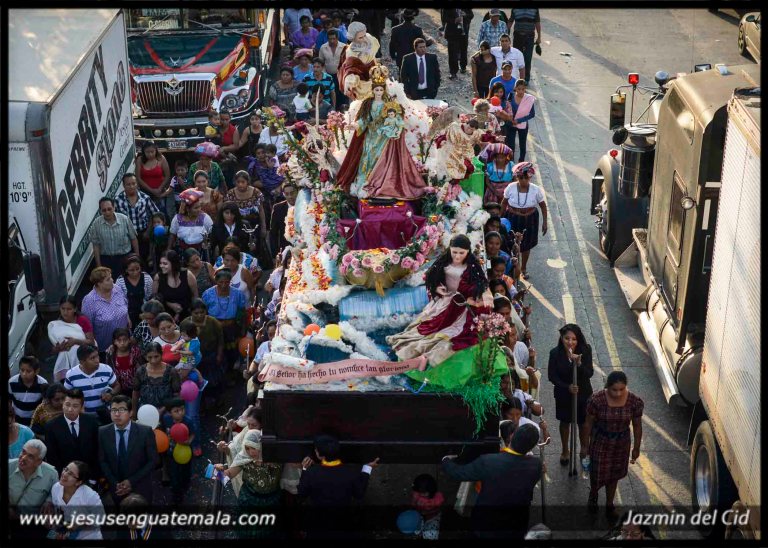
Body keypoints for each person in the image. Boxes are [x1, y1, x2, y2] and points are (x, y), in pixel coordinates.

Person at [388, 234, 493, 366]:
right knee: (427, 326)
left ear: (468, 251)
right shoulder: (443, 262)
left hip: (461, 305)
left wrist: (482, 296)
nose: (458, 256)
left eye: (462, 253)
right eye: (454, 252)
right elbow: (432, 277)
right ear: (450, 249)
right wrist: (437, 288)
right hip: (444, 301)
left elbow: (481, 285)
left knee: (450, 334)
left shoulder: (472, 268)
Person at [441, 423, 541, 539]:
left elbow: (458, 473)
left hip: (486, 525)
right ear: (531, 446)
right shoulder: (536, 465)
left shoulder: (489, 461)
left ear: (512, 436)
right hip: (516, 525)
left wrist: (445, 460)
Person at [583, 371, 644, 518]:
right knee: (597, 473)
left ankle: (609, 505)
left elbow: (637, 425)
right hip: (601, 442)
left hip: (621, 444)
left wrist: (636, 447)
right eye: (614, 390)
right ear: (607, 387)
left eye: (621, 389)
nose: (618, 393)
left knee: (614, 475)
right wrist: (585, 446)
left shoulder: (634, 401)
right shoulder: (596, 400)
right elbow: (588, 424)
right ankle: (593, 495)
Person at [298, 434, 380, 538]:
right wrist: (367, 468)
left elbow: (302, 493)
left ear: (319, 454)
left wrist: (305, 469)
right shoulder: (350, 472)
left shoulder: (311, 473)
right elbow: (359, 494)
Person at [214, 430, 282, 538]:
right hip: (249, 500)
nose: (250, 452)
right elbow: (229, 475)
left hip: (270, 502)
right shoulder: (244, 458)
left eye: (253, 448)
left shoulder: (275, 458)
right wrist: (215, 472)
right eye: (247, 448)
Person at [547, 323, 594, 467]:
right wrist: (567, 387)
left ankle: (584, 448)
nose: (570, 342)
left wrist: (579, 364)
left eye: (573, 339)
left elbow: (589, 373)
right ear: (562, 338)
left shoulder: (585, 350)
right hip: (564, 394)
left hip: (582, 392)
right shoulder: (555, 353)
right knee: (565, 422)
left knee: (583, 423)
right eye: (567, 338)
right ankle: (565, 450)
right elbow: (552, 376)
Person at [98, 395, 157, 504]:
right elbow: (103, 460)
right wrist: (115, 483)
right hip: (117, 489)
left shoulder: (145, 432)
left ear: (130, 413)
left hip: (140, 486)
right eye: (114, 410)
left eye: (122, 410)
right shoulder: (102, 432)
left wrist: (131, 481)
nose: (117, 414)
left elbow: (152, 461)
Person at [364, 101, 427, 200]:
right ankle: (385, 180)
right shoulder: (388, 120)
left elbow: (400, 124)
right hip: (389, 136)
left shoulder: (398, 120)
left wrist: (397, 129)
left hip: (395, 135)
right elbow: (385, 125)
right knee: (386, 155)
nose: (390, 115)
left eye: (392, 114)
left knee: (395, 154)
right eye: (389, 114)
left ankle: (393, 181)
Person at [501, 162, 548, 279]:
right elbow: (504, 203)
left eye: (526, 178)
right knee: (511, 242)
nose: (523, 180)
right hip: (513, 217)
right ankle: (512, 266)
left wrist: (545, 222)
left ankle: (524, 268)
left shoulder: (535, 190)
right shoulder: (510, 188)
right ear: (517, 177)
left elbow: (543, 206)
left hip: (530, 218)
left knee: (526, 245)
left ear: (530, 177)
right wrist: (499, 220)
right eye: (521, 177)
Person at [44, 388, 101, 476]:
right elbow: (52, 457)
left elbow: (97, 451)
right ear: (63, 404)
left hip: (89, 475)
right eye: (67, 405)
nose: (70, 409)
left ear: (81, 407)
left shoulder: (91, 422)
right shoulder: (51, 426)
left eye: (75, 406)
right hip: (64, 475)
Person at [8, 440, 58, 535]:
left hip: (32, 522)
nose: (23, 458)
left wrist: (49, 501)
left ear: (38, 462)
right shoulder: (9, 465)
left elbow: (55, 493)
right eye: (23, 452)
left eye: (30, 456)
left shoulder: (52, 474)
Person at [202, 268, 247, 373]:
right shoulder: (208, 294)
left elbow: (242, 312)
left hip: (231, 328)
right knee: (216, 353)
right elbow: (204, 312)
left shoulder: (237, 294)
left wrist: (242, 329)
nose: (223, 285)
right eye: (220, 282)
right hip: (214, 328)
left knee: (231, 352)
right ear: (216, 281)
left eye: (227, 282)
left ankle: (231, 375)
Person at [63, 344, 120, 425]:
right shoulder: (71, 374)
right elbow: (66, 395)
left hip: (106, 415)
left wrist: (111, 394)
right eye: (92, 358)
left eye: (97, 356)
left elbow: (117, 386)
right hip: (83, 418)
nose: (97, 360)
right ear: (82, 362)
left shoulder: (106, 369)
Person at [47, 461, 105, 540]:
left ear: (79, 482)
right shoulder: (56, 488)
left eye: (70, 474)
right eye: (66, 469)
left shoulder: (90, 495)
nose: (64, 474)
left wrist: (82, 521)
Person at [182, 299, 225, 404]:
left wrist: (219, 355)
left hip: (211, 356)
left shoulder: (213, 322)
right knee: (198, 380)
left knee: (214, 380)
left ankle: (217, 400)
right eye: (196, 313)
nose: (200, 315)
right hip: (194, 358)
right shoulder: (185, 324)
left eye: (202, 312)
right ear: (191, 312)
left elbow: (220, 340)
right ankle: (201, 403)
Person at [81, 267, 130, 355]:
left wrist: (127, 318)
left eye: (111, 277)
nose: (112, 280)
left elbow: (125, 304)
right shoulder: (89, 301)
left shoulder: (117, 289)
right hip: (104, 349)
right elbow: (87, 327)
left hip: (124, 344)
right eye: (108, 279)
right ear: (99, 283)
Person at [48, 296, 97, 382]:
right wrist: (58, 348)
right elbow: (52, 351)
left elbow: (91, 342)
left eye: (69, 309)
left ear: (75, 309)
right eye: (63, 309)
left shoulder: (82, 320)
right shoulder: (56, 325)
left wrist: (75, 341)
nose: (65, 312)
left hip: (85, 353)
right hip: (64, 355)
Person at [90, 197, 140, 281]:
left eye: (109, 209)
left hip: (124, 258)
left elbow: (133, 238)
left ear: (114, 207)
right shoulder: (96, 224)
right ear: (100, 211)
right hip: (106, 260)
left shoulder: (124, 219)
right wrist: (99, 265)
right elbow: (96, 245)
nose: (107, 212)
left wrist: (137, 257)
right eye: (104, 210)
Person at [115, 172, 160, 261]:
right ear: (123, 185)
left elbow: (156, 214)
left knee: (144, 260)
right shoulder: (117, 200)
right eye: (128, 184)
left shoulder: (145, 198)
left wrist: (148, 231)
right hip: (126, 237)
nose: (131, 186)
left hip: (143, 235)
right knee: (130, 262)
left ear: (137, 184)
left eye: (133, 183)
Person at [161, 397, 195, 504]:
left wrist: (188, 441)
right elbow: (163, 432)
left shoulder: (188, 421)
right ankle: (176, 493)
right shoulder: (166, 420)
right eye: (176, 411)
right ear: (169, 413)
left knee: (185, 471)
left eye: (182, 409)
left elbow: (193, 433)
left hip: (185, 453)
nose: (180, 413)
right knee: (174, 473)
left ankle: (185, 484)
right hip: (171, 452)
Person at [493, 79, 536, 162]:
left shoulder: (529, 99)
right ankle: (511, 162)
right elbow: (507, 108)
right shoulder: (511, 96)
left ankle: (521, 162)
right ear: (515, 88)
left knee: (522, 145)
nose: (521, 91)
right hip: (510, 124)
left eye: (523, 89)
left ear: (525, 89)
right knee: (511, 145)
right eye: (519, 89)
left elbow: (532, 114)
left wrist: (519, 120)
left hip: (522, 125)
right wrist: (509, 118)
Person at [337, 21, 381, 100]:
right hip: (362, 83)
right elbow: (350, 70)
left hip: (375, 74)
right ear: (352, 38)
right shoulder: (351, 53)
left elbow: (374, 47)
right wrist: (349, 82)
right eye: (360, 38)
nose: (364, 39)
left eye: (364, 35)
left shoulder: (370, 39)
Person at [167, 187, 215, 257]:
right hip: (182, 254)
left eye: (199, 207)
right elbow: (172, 235)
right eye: (196, 208)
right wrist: (168, 251)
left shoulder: (205, 218)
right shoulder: (177, 219)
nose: (199, 209)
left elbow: (212, 234)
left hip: (201, 254)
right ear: (187, 209)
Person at [153, 250, 198, 322]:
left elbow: (195, 297)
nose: (161, 266)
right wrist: (169, 304)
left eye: (165, 264)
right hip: (166, 318)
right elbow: (155, 299)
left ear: (173, 264)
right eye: (160, 263)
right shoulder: (158, 277)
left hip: (187, 316)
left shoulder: (187, 275)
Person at [115, 255, 155, 328]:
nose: (136, 272)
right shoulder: (120, 281)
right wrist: (126, 317)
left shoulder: (147, 277)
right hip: (128, 313)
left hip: (144, 312)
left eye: (137, 269)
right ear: (126, 270)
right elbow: (120, 301)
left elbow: (150, 296)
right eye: (132, 270)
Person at [9, 355, 48, 426]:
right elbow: (9, 399)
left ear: (36, 371)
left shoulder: (43, 384)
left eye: (28, 371)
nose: (24, 374)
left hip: (34, 420)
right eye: (22, 370)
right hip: (17, 420)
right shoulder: (12, 382)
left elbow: (45, 402)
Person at [389, 9, 429, 77]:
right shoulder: (418, 29)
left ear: (403, 17)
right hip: (414, 56)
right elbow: (423, 43)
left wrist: (393, 55)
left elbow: (392, 44)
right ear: (413, 17)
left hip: (401, 56)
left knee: (402, 75)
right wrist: (430, 41)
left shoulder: (395, 29)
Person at [104, 328, 142, 398]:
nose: (122, 343)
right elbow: (108, 369)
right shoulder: (111, 353)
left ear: (129, 340)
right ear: (114, 342)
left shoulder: (135, 351)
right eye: (119, 340)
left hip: (134, 386)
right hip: (118, 386)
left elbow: (141, 367)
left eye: (125, 340)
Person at [135, 141, 171, 212]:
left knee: (162, 212)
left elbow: (167, 175)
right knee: (147, 212)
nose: (150, 154)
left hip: (160, 191)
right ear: (144, 152)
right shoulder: (140, 160)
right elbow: (138, 178)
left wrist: (159, 189)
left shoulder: (161, 158)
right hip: (145, 192)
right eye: (147, 152)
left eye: (152, 151)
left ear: (156, 150)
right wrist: (151, 190)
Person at [510, 8, 542, 84]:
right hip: (517, 36)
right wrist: (506, 32)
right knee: (516, 57)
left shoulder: (535, 9)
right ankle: (516, 77)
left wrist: (539, 37)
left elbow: (537, 22)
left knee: (527, 58)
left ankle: (525, 79)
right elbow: (511, 20)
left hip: (529, 36)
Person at [244, 320, 277, 393]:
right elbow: (255, 362)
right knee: (251, 383)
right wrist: (249, 371)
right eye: (270, 335)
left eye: (275, 334)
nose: (273, 337)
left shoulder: (288, 347)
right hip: (262, 380)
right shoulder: (264, 346)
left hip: (279, 380)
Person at [441, 9, 473, 79]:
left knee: (463, 50)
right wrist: (454, 20)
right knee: (452, 52)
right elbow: (444, 18)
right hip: (452, 33)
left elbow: (471, 15)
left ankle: (463, 67)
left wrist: (465, 15)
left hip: (463, 32)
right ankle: (453, 72)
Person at [411, 473, 444, 540]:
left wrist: (428, 512)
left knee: (430, 535)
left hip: (433, 517)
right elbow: (413, 505)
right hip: (420, 515)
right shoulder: (416, 495)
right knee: (416, 530)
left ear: (431, 490)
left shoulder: (437, 498)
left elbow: (439, 509)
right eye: (420, 492)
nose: (422, 494)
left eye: (424, 492)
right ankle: (419, 533)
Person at [319, 29, 346, 108]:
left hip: (341, 75)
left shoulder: (344, 47)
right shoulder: (323, 47)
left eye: (334, 39)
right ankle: (332, 110)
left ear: (337, 38)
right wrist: (324, 74)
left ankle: (343, 110)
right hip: (328, 74)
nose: (332, 41)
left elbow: (347, 61)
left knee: (342, 93)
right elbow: (321, 62)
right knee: (331, 93)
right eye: (330, 39)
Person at [270, 182, 298, 254]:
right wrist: (275, 254)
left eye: (292, 193)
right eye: (287, 194)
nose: (290, 196)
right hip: (286, 248)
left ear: (297, 192)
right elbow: (273, 233)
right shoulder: (277, 208)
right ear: (283, 194)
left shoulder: (305, 206)